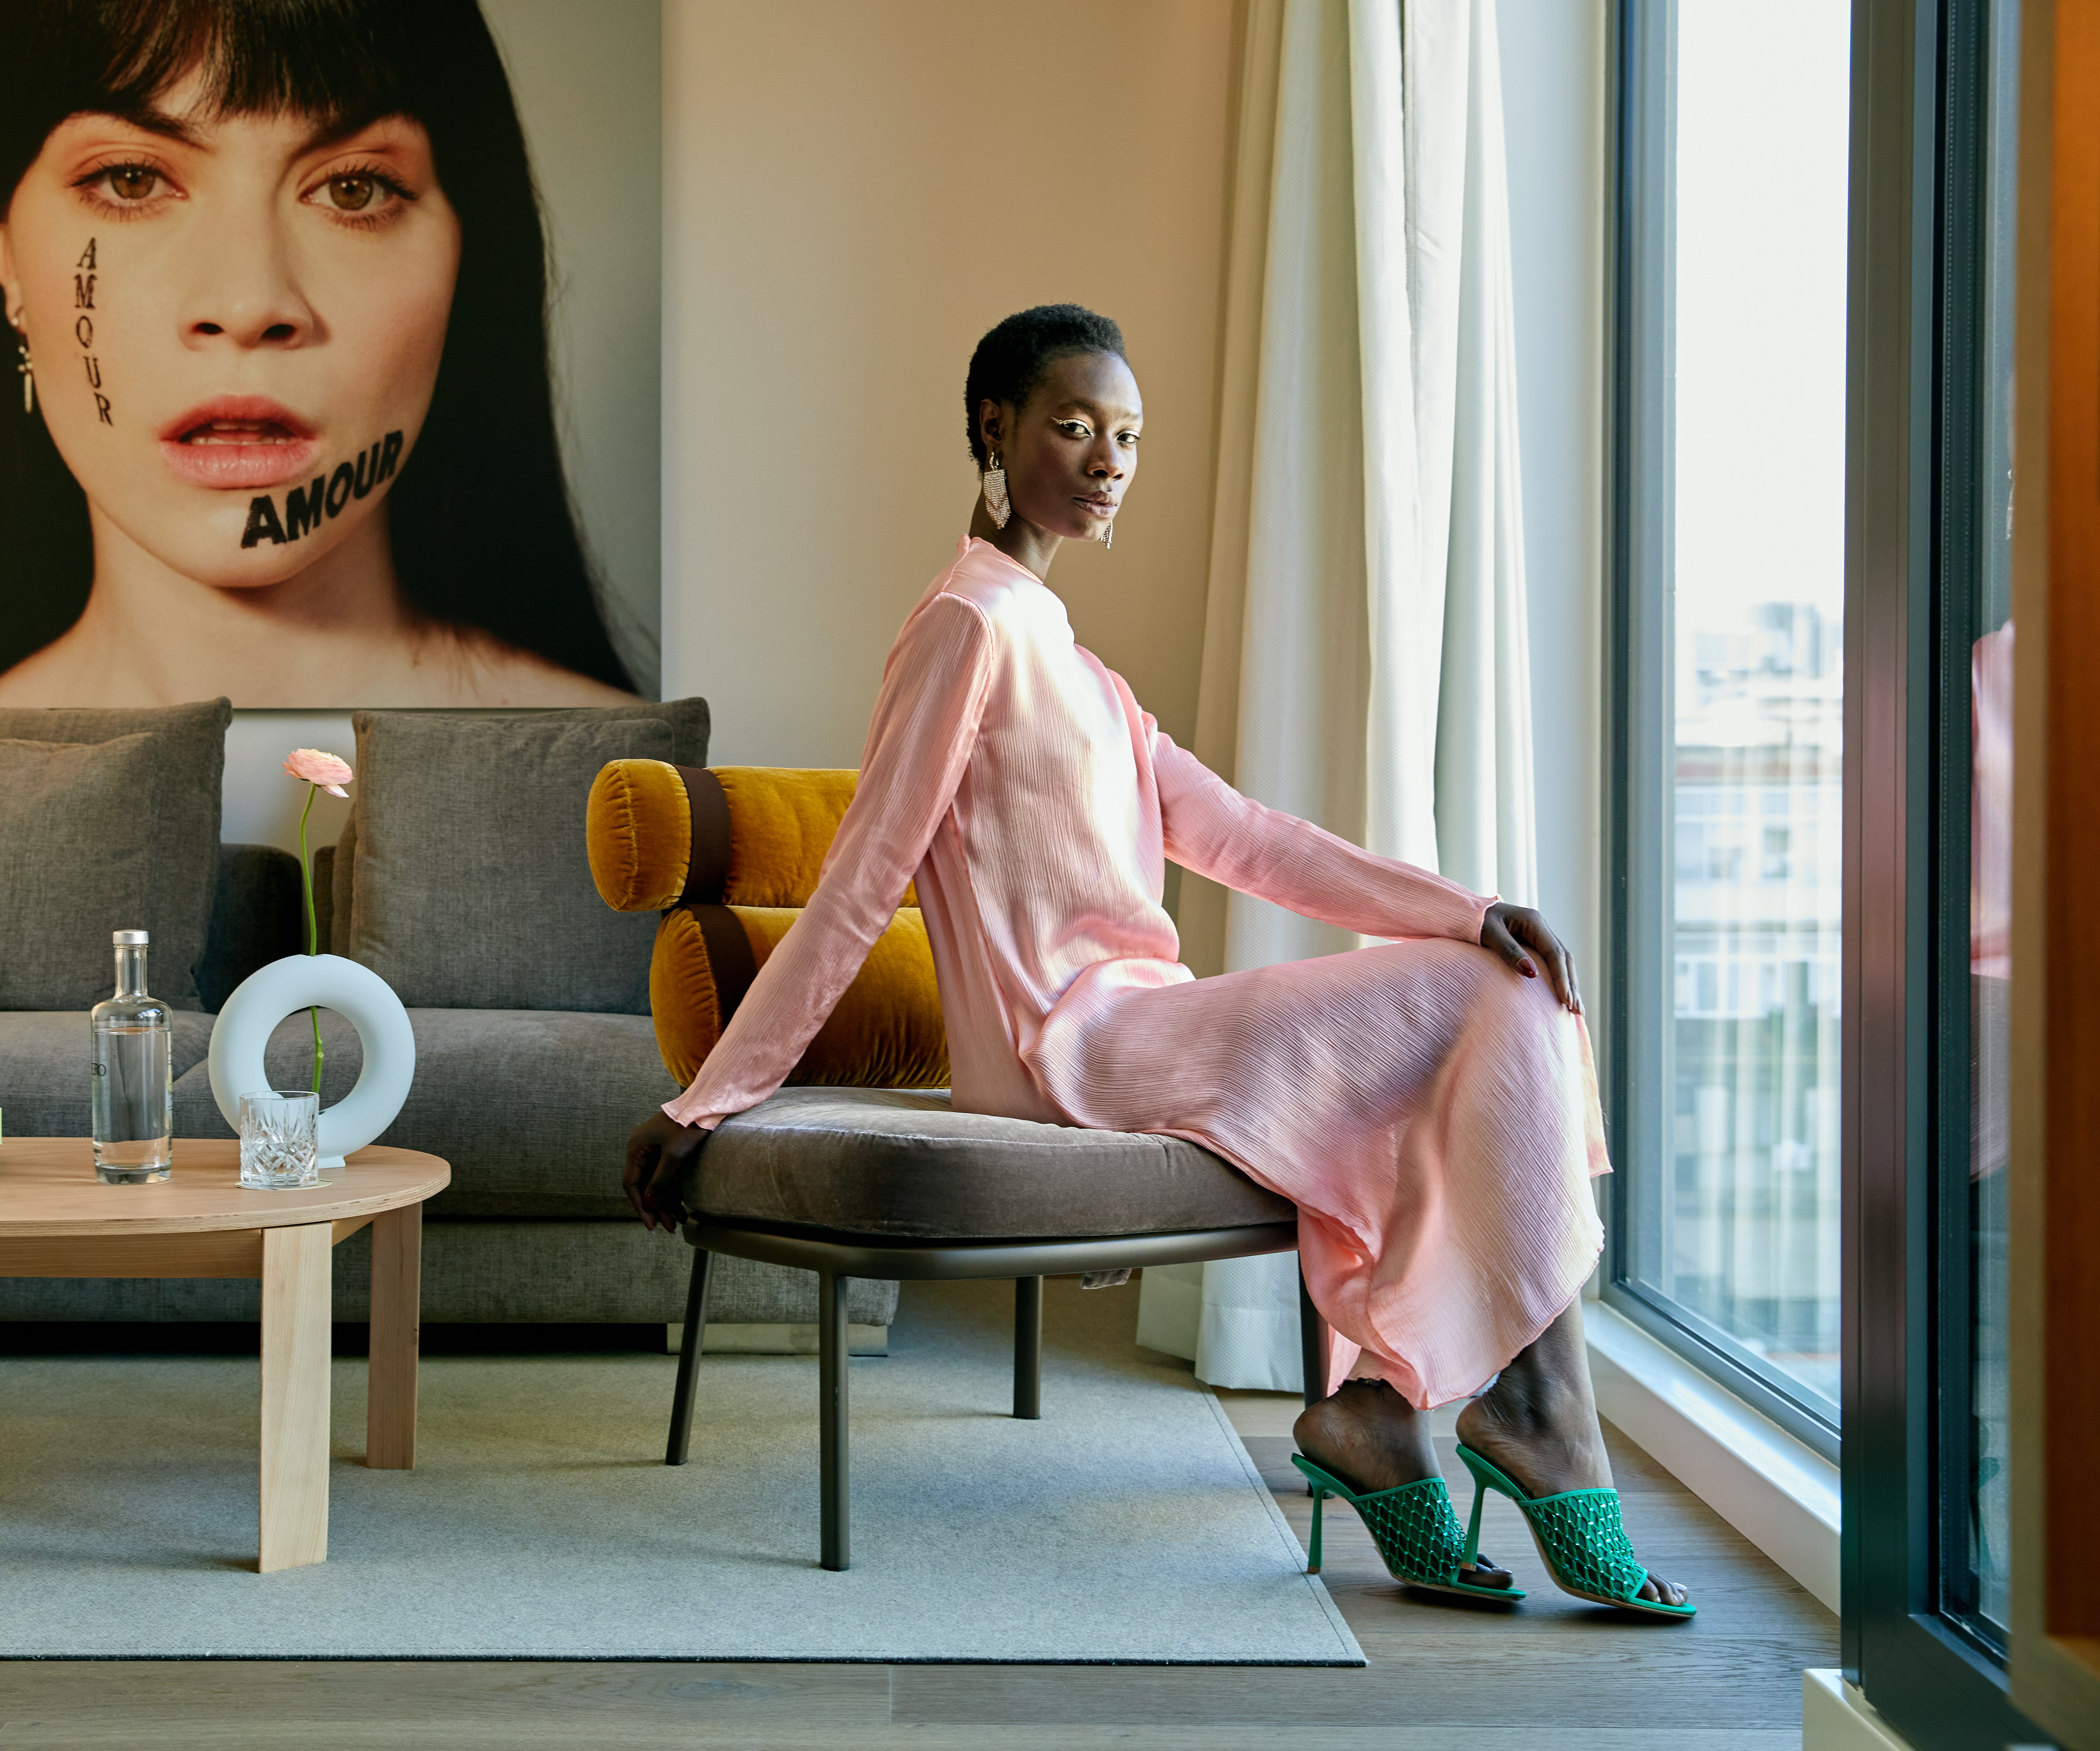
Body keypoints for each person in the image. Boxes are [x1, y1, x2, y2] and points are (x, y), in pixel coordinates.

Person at [623, 304, 1692, 1617]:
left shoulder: (1079, 668)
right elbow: (862, 878)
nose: (1106, 459)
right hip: (1067, 1050)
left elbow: (1248, 840)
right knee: (1483, 998)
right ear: (991, 430)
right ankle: (1521, 1407)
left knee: (1494, 981)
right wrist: (711, 1096)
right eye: (1072, 427)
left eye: (1127, 436)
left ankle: (1391, 1413)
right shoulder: (965, 624)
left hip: (1146, 1024)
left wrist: (1466, 907)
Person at [0, 0, 638, 708]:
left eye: (353, 189)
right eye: (132, 179)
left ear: (466, 257)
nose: (249, 306)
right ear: (4, 253)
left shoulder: (628, 789)